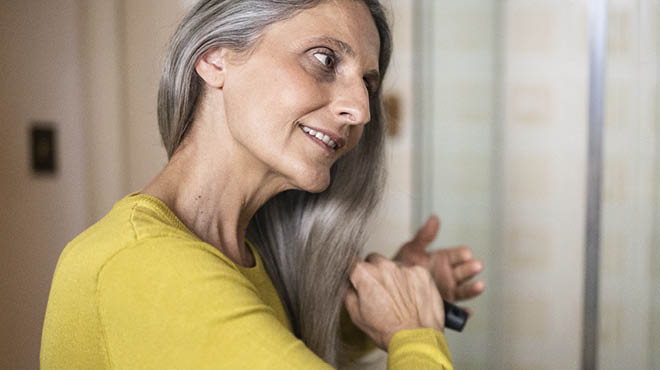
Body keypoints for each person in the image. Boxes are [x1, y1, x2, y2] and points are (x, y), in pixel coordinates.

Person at [40, 0, 484, 369]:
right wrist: (414, 334)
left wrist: (392, 299)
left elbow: (260, 343)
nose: (361, 110)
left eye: (367, 84)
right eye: (326, 59)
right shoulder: (142, 265)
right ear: (215, 58)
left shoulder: (239, 255)